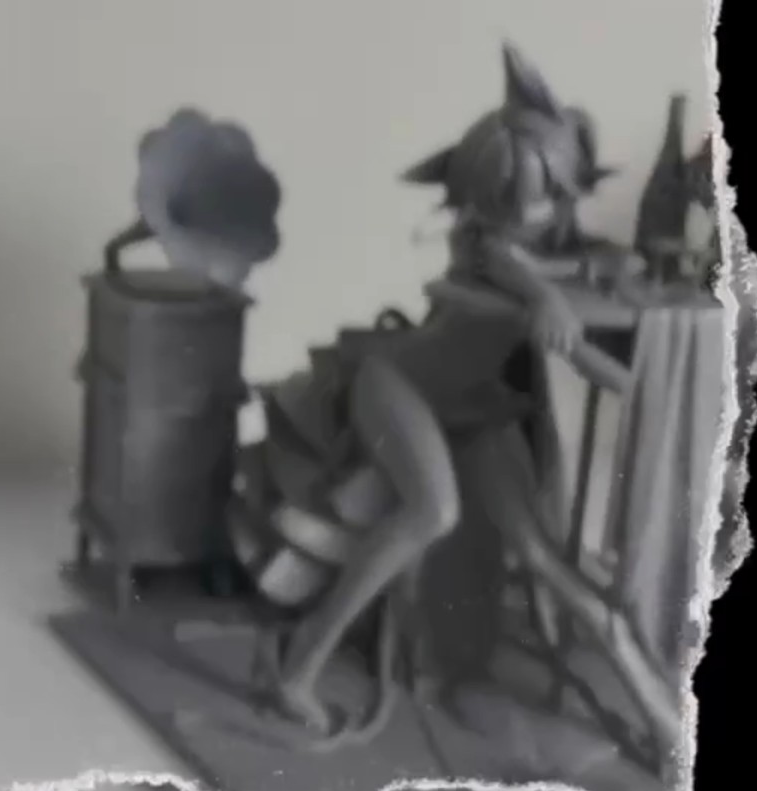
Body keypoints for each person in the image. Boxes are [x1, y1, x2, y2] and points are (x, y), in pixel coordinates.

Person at [253, 43, 617, 735]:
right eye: (511, 203)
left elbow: (555, 268)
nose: (530, 215)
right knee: (433, 512)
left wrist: (581, 282)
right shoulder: (485, 244)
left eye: (543, 199)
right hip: (399, 388)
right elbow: (511, 266)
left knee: (535, 539)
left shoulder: (548, 243)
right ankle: (298, 669)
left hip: (471, 406)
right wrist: (549, 298)